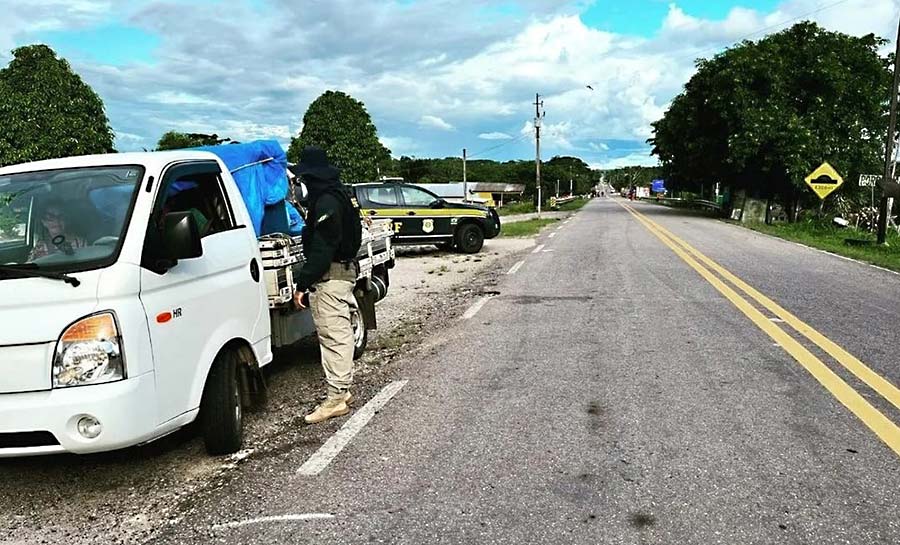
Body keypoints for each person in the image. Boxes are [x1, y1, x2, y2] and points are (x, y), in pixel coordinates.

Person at [290, 146, 362, 424]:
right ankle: (342, 391)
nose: (302, 184)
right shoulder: (340, 195)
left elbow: (322, 248)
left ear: (312, 177)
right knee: (341, 334)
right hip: (343, 272)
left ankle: (336, 399)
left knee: (334, 337)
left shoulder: (326, 202)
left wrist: (302, 283)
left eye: (304, 179)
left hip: (331, 277)